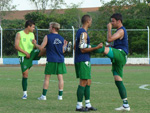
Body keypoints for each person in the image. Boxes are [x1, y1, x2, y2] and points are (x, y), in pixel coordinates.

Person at [93, 13, 130, 111]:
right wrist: (110, 47)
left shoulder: (121, 30)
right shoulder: (119, 31)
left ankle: (86, 47)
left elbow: (109, 39)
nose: (111, 23)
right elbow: (113, 43)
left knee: (102, 48)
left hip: (121, 54)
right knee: (118, 80)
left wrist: (108, 28)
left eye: (113, 21)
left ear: (119, 21)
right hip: (119, 55)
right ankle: (126, 104)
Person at [32, 22, 68, 100]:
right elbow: (62, 51)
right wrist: (65, 46)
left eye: (50, 27)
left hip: (51, 59)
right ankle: (60, 96)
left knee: (47, 78)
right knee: (60, 78)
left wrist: (35, 44)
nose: (49, 28)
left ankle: (44, 96)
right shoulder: (61, 38)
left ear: (53, 28)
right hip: (60, 60)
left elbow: (41, 48)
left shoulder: (47, 37)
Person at [74, 15, 102, 112]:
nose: (91, 23)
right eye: (91, 21)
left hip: (83, 59)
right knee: (83, 82)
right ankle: (78, 106)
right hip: (83, 60)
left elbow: (75, 46)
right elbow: (82, 49)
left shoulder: (79, 31)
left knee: (88, 81)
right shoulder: (83, 33)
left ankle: (88, 104)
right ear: (88, 21)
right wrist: (96, 48)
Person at [15, 20, 45, 99]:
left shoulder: (32, 34)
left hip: (31, 54)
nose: (33, 29)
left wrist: (35, 44)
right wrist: (25, 53)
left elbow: (34, 47)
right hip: (23, 56)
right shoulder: (19, 34)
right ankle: (25, 94)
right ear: (28, 26)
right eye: (33, 27)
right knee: (25, 74)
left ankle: (51, 60)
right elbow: (16, 46)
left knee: (43, 50)